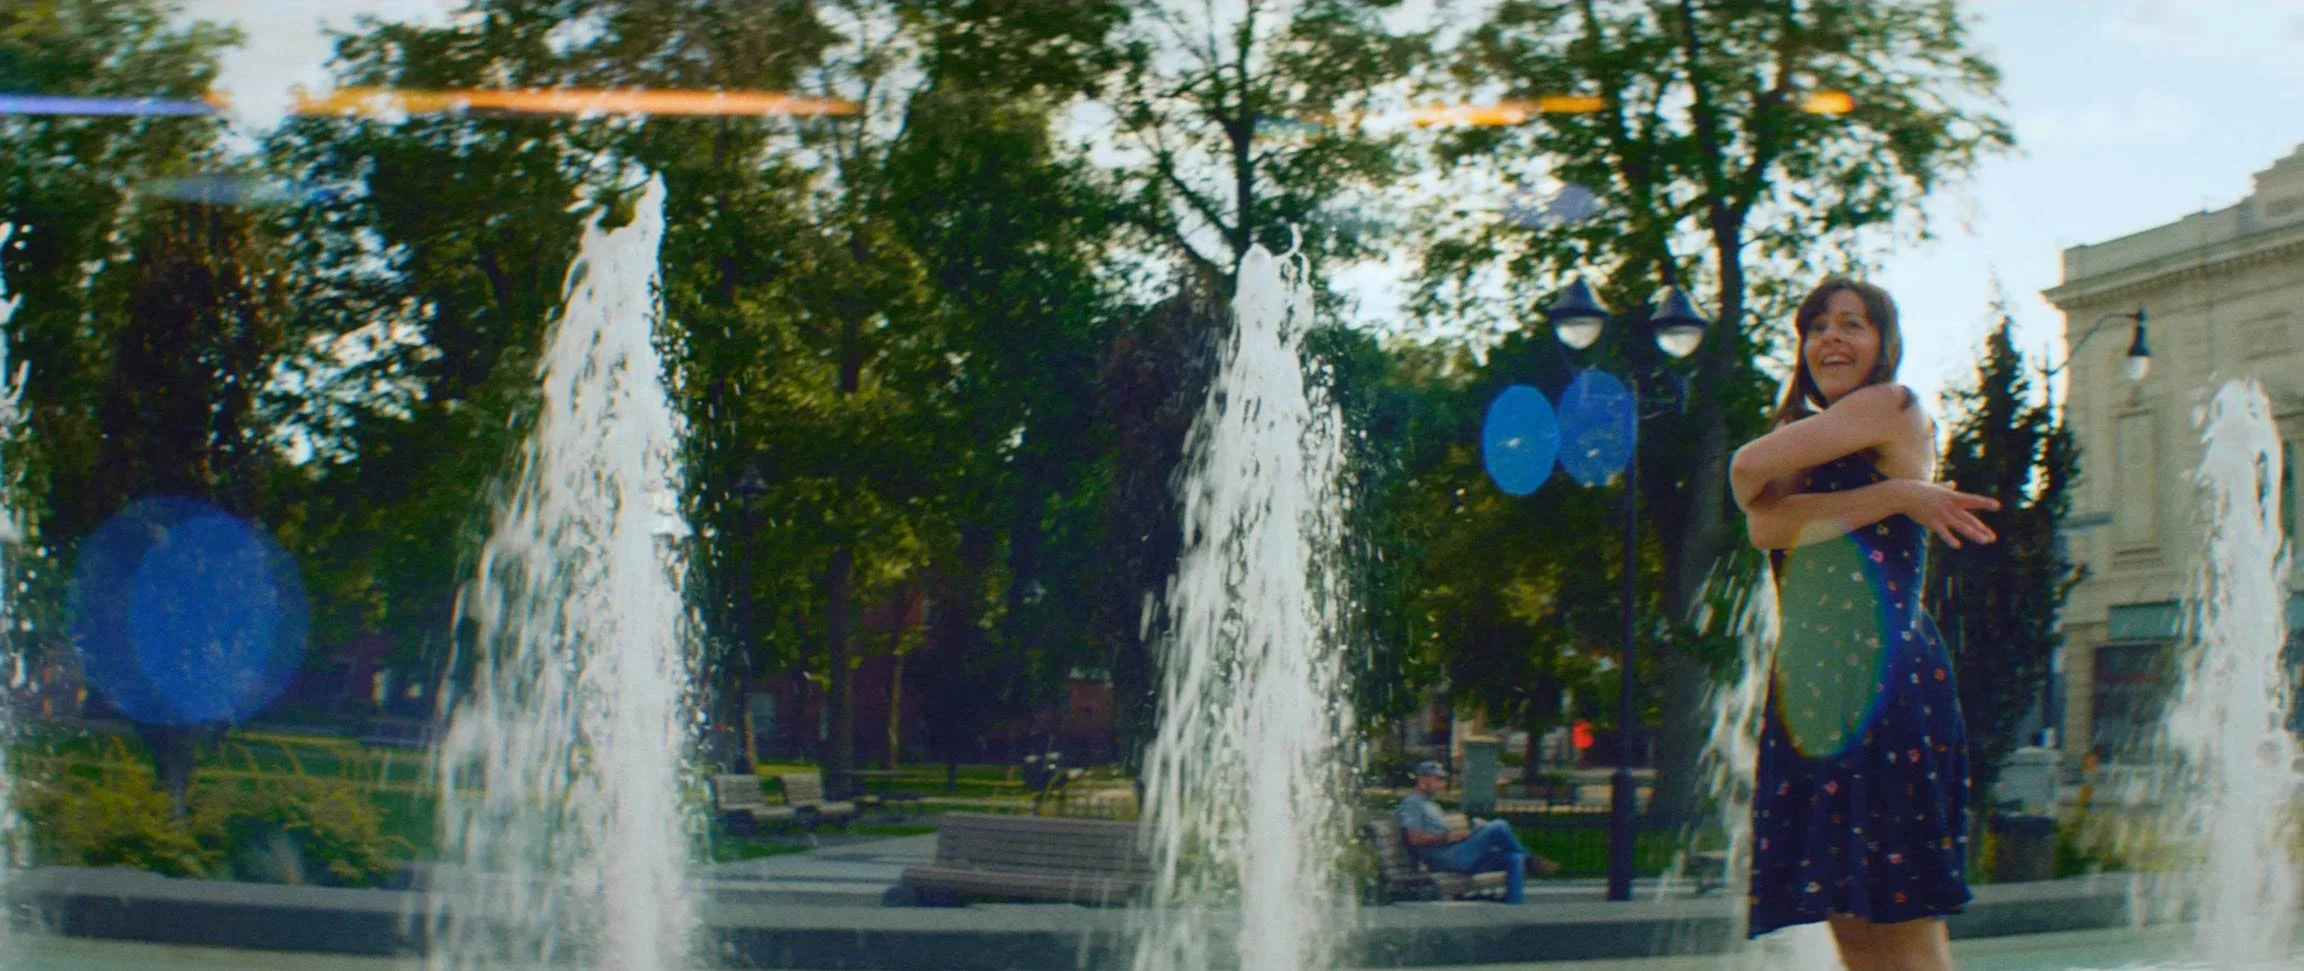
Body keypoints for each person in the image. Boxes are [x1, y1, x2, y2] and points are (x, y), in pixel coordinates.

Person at [1728, 277, 2000, 971]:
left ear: (1884, 343)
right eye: (1817, 325)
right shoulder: (1805, 436)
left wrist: (1885, 495)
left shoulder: (1891, 404)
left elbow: (1749, 466)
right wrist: (1896, 495)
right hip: (1818, 690)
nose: (1831, 337)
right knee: (1853, 921)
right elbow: (1760, 521)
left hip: (1881, 681)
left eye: (1853, 323)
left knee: (1901, 918)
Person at [1395, 760, 1555, 903]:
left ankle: (1514, 909)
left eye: (1443, 779)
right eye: (1438, 779)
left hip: (1457, 853)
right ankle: (1532, 861)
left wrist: (1468, 833)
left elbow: (1444, 835)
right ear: (1423, 779)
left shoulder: (1431, 804)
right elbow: (1414, 839)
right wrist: (1447, 837)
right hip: (1445, 859)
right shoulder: (1412, 804)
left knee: (1514, 858)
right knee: (1499, 826)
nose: (1442, 783)